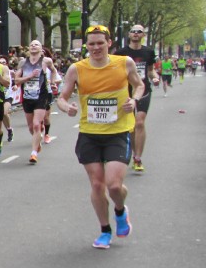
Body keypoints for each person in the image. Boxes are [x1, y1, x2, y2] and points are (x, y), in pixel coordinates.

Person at [56, 24, 145, 249]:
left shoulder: (124, 63)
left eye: (100, 43)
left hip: (118, 132)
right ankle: (105, 230)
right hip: (90, 133)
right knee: (97, 185)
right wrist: (67, 108)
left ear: (109, 44)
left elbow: (139, 85)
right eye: (91, 44)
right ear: (86, 46)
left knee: (114, 186)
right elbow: (61, 98)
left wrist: (134, 100)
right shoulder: (77, 69)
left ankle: (120, 211)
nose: (95, 48)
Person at [113, 25, 160, 173]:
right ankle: (134, 154)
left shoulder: (148, 52)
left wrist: (155, 77)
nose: (135, 33)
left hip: (143, 89)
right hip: (126, 92)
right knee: (131, 125)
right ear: (129, 34)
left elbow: (150, 70)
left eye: (139, 32)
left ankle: (138, 158)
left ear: (143, 35)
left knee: (140, 122)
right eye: (133, 31)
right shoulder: (120, 53)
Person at [15, 40, 57, 165]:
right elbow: (17, 80)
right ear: (29, 48)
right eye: (32, 44)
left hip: (41, 96)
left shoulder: (46, 61)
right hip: (27, 97)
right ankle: (37, 141)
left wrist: (53, 83)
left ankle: (34, 153)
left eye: (36, 44)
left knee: (37, 125)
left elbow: (54, 71)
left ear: (41, 48)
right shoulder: (23, 62)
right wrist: (30, 76)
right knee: (31, 127)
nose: (33, 46)